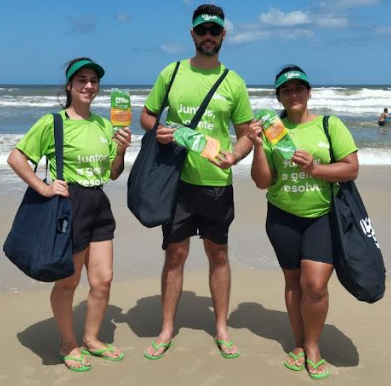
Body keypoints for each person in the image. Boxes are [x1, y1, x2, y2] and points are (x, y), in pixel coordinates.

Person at [140, 4, 253, 360]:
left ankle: (221, 328)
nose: (208, 36)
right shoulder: (171, 72)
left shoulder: (233, 82)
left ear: (223, 35)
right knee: (175, 254)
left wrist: (236, 155)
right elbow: (146, 115)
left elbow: (246, 133)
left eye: (214, 31)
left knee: (218, 254)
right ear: (192, 34)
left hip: (216, 181)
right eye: (202, 30)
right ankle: (166, 329)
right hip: (176, 181)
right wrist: (158, 130)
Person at [7, 58, 131, 372]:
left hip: (99, 203)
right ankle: (68, 343)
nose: (89, 85)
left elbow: (114, 174)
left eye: (93, 80)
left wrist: (121, 151)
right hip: (69, 204)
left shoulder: (105, 124)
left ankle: (91, 339)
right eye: (82, 80)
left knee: (103, 281)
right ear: (69, 86)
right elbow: (16, 158)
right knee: (68, 283)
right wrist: (44, 188)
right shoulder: (53, 122)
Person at [248, 65, 358, 379]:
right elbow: (262, 181)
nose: (293, 94)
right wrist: (257, 145)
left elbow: (351, 168)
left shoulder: (328, 124)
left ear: (308, 92)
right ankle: (298, 343)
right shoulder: (272, 130)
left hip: (322, 215)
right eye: (286, 90)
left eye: (299, 88)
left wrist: (316, 169)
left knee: (316, 285)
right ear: (279, 97)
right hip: (282, 217)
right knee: (294, 282)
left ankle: (313, 345)